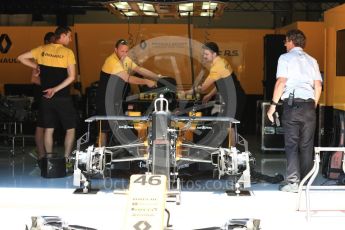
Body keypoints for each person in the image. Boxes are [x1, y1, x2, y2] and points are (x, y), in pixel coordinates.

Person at [267, 29, 322, 192]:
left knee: (291, 145)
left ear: (291, 41)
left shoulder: (285, 58)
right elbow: (318, 85)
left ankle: (293, 183)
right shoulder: (312, 60)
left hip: (292, 106)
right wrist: (313, 105)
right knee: (306, 145)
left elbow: (281, 82)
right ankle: (305, 183)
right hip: (309, 106)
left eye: (285, 41)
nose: (284, 44)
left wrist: (272, 106)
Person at [18, 26, 77, 163]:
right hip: (62, 97)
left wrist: (36, 66)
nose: (70, 39)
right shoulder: (68, 52)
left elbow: (20, 57)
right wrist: (55, 89)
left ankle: (49, 161)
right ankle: (67, 161)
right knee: (70, 128)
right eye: (69, 36)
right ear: (62, 36)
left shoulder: (41, 50)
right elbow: (72, 77)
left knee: (49, 129)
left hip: (46, 97)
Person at [95, 38, 160, 146]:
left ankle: (115, 152)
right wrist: (146, 81)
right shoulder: (111, 61)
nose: (125, 54)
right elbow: (127, 78)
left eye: (126, 51)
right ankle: (100, 154)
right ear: (115, 50)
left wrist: (157, 77)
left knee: (117, 128)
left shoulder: (125, 59)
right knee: (104, 129)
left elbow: (139, 69)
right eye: (122, 51)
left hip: (116, 99)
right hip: (105, 100)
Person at [180, 42, 246, 146]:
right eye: (204, 54)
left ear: (214, 54)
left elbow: (203, 88)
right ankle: (228, 149)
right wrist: (210, 95)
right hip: (235, 97)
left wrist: (187, 92)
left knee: (230, 126)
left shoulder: (217, 67)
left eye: (206, 54)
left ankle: (231, 151)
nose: (204, 56)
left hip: (235, 98)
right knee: (228, 124)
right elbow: (219, 83)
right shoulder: (221, 62)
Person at [30, 31, 55, 161]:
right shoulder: (39, 56)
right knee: (41, 126)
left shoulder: (55, 57)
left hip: (50, 94)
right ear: (45, 42)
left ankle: (43, 153)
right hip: (41, 94)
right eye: (51, 41)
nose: (53, 43)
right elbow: (34, 79)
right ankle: (40, 155)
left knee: (47, 126)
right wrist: (48, 84)